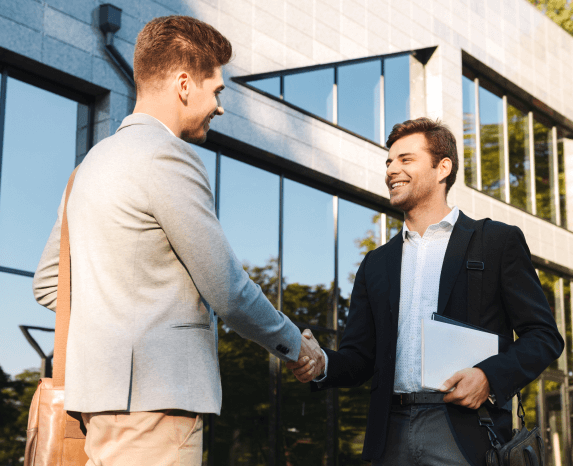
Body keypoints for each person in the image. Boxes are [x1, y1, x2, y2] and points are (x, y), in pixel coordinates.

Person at [33, 15, 322, 466]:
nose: (219, 106)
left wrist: (112, 325)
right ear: (185, 83)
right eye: (218, 90)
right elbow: (227, 289)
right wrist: (294, 344)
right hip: (157, 408)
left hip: (96, 408)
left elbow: (50, 284)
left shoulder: (88, 168)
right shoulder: (168, 156)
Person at [287, 117, 564, 465]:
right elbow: (360, 359)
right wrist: (322, 363)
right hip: (390, 433)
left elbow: (544, 336)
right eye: (388, 162)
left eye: (405, 159)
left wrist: (489, 377)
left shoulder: (496, 242)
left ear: (442, 168)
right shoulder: (376, 263)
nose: (391, 170)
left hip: (466, 433)